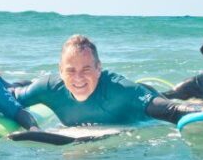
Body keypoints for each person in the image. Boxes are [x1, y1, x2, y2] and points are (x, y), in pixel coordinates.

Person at [14, 35, 161, 126]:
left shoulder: (122, 91)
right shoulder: (49, 88)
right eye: (71, 70)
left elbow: (169, 110)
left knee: (172, 95)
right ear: (60, 71)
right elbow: (12, 95)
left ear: (98, 68)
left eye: (86, 69)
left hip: (146, 98)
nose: (78, 78)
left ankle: (177, 92)